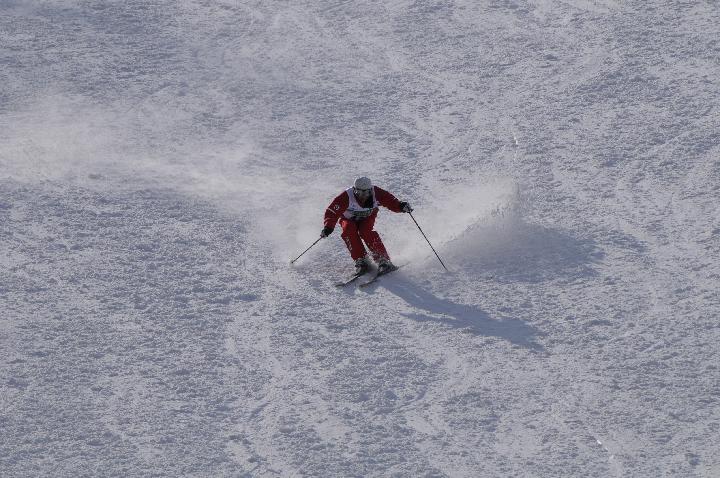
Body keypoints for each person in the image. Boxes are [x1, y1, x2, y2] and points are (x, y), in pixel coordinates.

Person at [321, 177, 413, 274]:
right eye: (359, 192)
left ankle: (382, 259)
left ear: (370, 190)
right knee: (348, 230)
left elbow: (391, 201)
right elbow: (332, 212)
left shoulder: (376, 193)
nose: (363, 196)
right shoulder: (346, 196)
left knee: (366, 231)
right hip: (348, 218)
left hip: (367, 217)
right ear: (355, 190)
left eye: (367, 192)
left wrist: (401, 206)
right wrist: (328, 227)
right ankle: (361, 260)